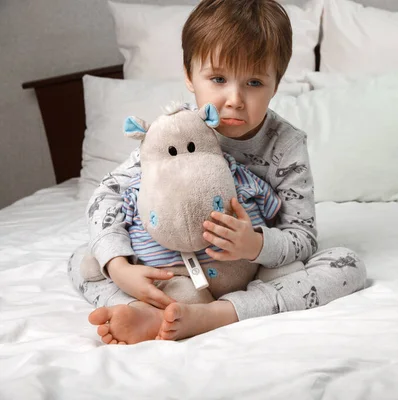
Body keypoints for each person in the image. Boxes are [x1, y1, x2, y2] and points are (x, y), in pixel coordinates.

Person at [68, 0, 367, 345]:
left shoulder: (285, 145)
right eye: (218, 78)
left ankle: (219, 314)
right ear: (189, 75)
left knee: (346, 264)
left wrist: (255, 245)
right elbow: (109, 194)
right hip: (170, 272)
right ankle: (147, 305)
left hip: (249, 272)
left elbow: (302, 237)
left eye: (254, 82)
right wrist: (120, 268)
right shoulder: (175, 134)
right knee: (84, 260)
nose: (235, 99)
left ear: (277, 82)